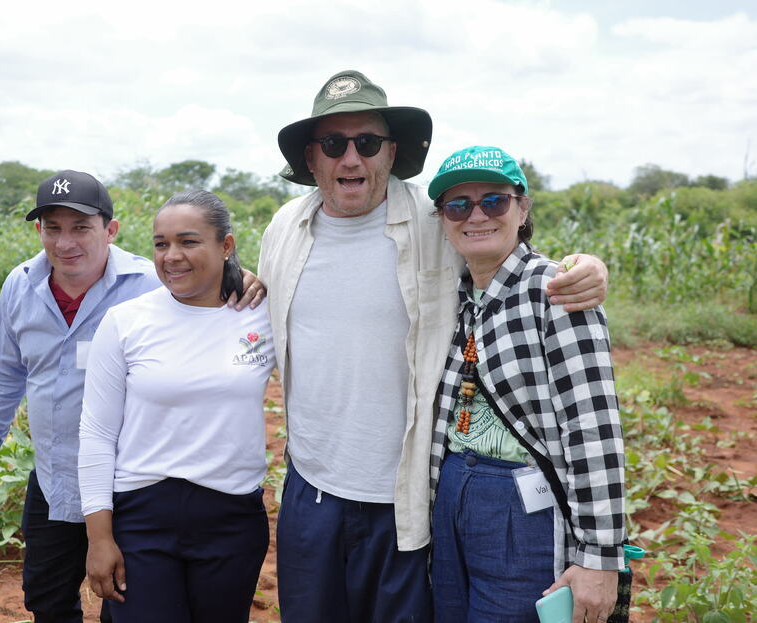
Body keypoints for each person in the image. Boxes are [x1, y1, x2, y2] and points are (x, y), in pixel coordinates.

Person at [258, 70, 610, 622]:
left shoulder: (432, 219)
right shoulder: (284, 228)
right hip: (312, 486)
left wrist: (584, 269)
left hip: (407, 496)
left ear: (391, 152)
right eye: (333, 144)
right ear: (312, 158)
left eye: (367, 143)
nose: (351, 159)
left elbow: (500, 252)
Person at [0, 173, 264, 622]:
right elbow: (3, 371)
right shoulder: (20, 285)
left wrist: (236, 274)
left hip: (129, 483)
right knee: (46, 596)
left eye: (81, 228)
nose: (66, 242)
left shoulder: (153, 281)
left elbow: (202, 286)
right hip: (56, 473)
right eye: (53, 228)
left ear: (110, 230)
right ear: (39, 231)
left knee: (124, 600)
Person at [427, 146, 625, 623]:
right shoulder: (453, 292)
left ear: (522, 208)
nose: (476, 216)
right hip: (453, 488)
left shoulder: (555, 289)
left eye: (493, 201)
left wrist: (599, 556)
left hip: (521, 503)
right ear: (442, 219)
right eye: (458, 205)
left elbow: (592, 425)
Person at [77, 190, 274, 622]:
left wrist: (257, 280)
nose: (171, 257)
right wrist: (99, 539)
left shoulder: (262, 314)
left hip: (232, 518)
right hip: (142, 518)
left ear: (226, 246)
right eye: (161, 244)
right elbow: (96, 433)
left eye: (188, 241)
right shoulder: (126, 321)